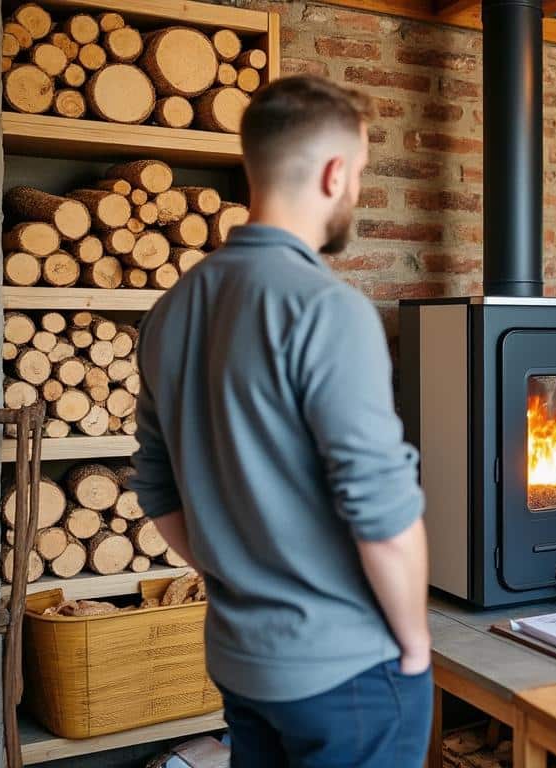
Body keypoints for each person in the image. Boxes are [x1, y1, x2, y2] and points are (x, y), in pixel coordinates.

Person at [129, 75, 433, 765]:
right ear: (333, 173)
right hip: (349, 669)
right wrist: (413, 644)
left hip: (242, 662)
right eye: (357, 173)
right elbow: (382, 516)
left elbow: (155, 488)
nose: (354, 191)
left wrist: (241, 574)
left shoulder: (170, 310)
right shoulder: (328, 309)